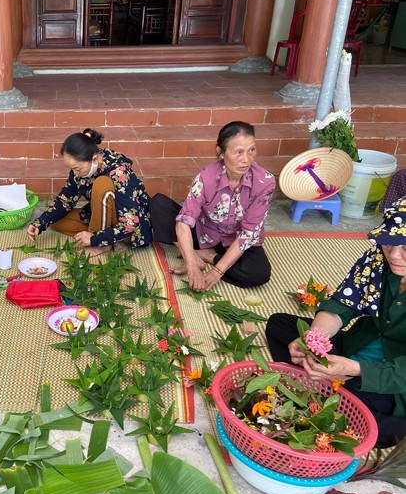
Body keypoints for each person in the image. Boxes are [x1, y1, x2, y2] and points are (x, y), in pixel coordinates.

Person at [266, 198, 406, 448]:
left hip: (391, 380)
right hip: (356, 347)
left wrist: (353, 369)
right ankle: (326, 387)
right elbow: (343, 303)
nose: (394, 255)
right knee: (280, 325)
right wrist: (314, 342)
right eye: (390, 243)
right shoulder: (378, 258)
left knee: (372, 426)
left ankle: (330, 392)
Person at [150, 121, 275, 291]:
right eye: (238, 152)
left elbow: (248, 233)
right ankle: (193, 254)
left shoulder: (265, 182)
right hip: (204, 233)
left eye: (251, 150)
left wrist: (217, 270)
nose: (246, 159)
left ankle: (208, 255)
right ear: (221, 152)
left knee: (259, 273)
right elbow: (184, 221)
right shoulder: (206, 177)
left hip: (236, 241)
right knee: (158, 204)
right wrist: (191, 264)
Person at [26, 128, 152, 257]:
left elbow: (130, 223)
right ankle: (110, 237)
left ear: (95, 159)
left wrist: (93, 239)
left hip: (128, 225)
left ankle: (102, 244)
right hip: (100, 217)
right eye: (72, 169)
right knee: (57, 221)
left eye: (77, 168)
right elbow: (65, 201)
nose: (75, 173)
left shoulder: (119, 172)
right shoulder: (80, 171)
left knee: (102, 184)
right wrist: (40, 223)